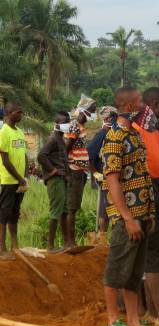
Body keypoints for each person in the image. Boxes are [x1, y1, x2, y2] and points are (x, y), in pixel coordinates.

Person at [102, 87, 156, 326]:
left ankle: (133, 321)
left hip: (142, 215)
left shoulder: (135, 135)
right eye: (140, 102)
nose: (144, 106)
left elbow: (143, 175)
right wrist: (128, 218)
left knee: (134, 274)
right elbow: (112, 180)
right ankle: (113, 320)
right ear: (131, 107)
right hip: (127, 218)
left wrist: (149, 214)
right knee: (116, 270)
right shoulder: (114, 137)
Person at [134, 87, 159, 326]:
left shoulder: (152, 130)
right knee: (151, 261)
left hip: (158, 201)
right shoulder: (137, 131)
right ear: (154, 103)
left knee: (150, 260)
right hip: (147, 202)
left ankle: (151, 313)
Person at [65, 94, 96, 249]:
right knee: (72, 206)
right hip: (74, 170)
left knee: (75, 206)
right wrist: (66, 168)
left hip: (80, 171)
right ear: (83, 111)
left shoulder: (81, 127)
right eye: (91, 111)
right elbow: (66, 147)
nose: (93, 115)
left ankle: (71, 241)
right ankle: (70, 242)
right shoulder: (75, 126)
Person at [37, 111, 71, 253]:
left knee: (63, 211)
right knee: (56, 211)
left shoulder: (60, 139)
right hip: (55, 180)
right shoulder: (53, 139)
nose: (67, 125)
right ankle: (50, 246)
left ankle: (66, 243)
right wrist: (53, 171)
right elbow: (41, 156)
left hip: (61, 179)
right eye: (64, 122)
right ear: (57, 125)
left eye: (68, 122)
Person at [0, 103, 27, 259]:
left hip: (20, 181)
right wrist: (19, 178)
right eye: (19, 112)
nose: (21, 115)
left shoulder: (21, 132)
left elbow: (23, 156)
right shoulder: (3, 132)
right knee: (4, 212)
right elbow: (5, 160)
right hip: (8, 179)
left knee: (15, 212)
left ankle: (14, 245)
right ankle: (2, 249)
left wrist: (24, 177)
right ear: (9, 113)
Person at [86, 106, 118, 243]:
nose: (107, 120)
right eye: (105, 118)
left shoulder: (118, 133)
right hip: (105, 177)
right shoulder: (103, 134)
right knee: (104, 211)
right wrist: (95, 173)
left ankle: (113, 239)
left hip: (118, 178)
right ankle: (102, 239)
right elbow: (87, 155)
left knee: (116, 210)